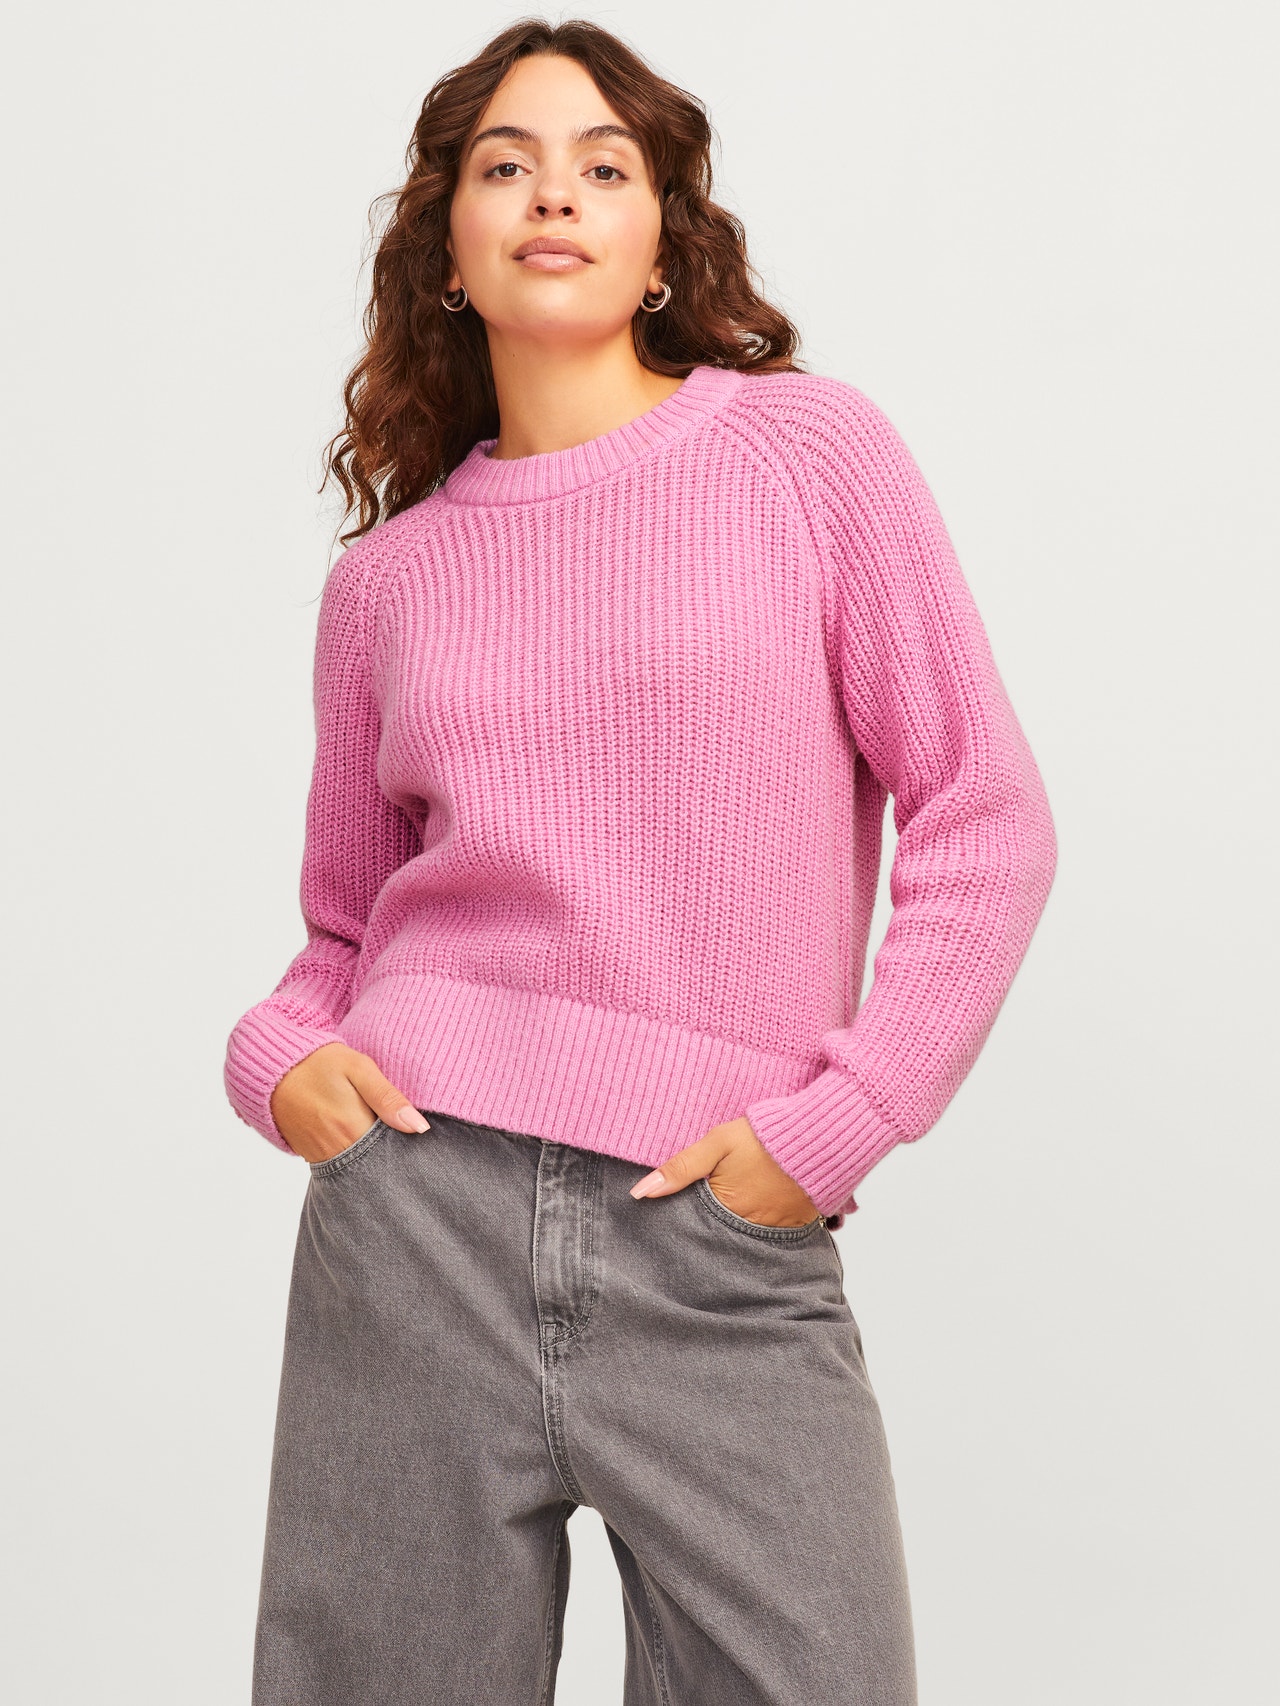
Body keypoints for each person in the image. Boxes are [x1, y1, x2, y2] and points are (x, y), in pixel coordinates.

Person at [223, 18, 1057, 1705]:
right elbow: (342, 928)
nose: (556, 194)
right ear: (446, 246)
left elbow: (985, 815)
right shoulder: (387, 583)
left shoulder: (806, 459)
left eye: (604, 166)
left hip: (719, 1231)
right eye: (507, 165)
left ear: (664, 238)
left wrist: (840, 1122)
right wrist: (280, 1059)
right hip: (416, 1221)